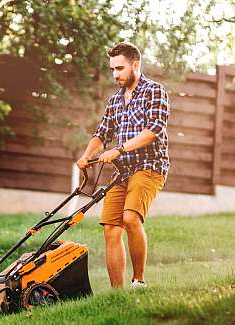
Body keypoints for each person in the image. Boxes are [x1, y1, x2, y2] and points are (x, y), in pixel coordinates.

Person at [76, 41, 170, 289]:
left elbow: (154, 130)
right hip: (123, 172)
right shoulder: (115, 101)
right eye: (112, 70)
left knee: (130, 218)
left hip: (150, 166)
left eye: (120, 68)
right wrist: (86, 156)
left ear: (135, 64)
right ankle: (118, 293)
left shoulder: (155, 91)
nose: (115, 74)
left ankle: (138, 281)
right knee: (110, 227)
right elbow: (102, 133)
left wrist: (118, 149)